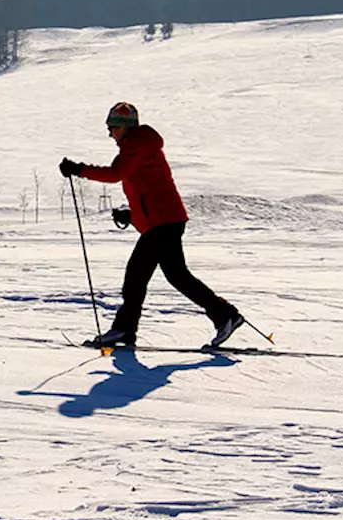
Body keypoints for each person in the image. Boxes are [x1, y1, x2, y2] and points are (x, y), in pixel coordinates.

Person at [60, 101, 242, 349]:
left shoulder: (136, 145)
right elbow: (148, 190)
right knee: (170, 276)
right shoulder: (138, 146)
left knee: (139, 278)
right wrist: (132, 215)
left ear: (124, 127)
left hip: (163, 222)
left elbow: (115, 175)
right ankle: (223, 314)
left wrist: (79, 170)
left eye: (112, 127)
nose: (110, 133)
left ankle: (126, 330)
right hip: (163, 220)